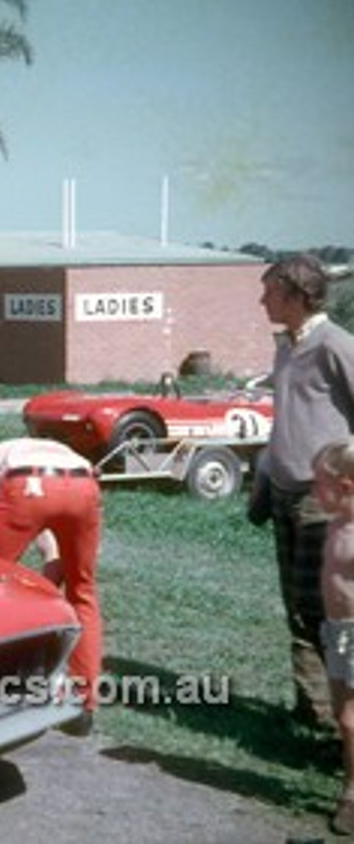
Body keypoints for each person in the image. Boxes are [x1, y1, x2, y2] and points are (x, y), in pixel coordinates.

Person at [0, 436, 102, 736]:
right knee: (82, 591)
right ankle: (82, 706)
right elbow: (52, 556)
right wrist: (41, 601)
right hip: (82, 478)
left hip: (27, 481)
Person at [260, 253, 354, 732]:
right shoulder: (284, 347)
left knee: (327, 609)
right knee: (297, 606)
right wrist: (263, 480)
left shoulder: (336, 345)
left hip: (324, 501)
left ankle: (342, 718)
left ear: (298, 295)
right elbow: (285, 422)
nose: (262, 301)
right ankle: (313, 710)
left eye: (270, 292)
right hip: (283, 492)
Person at [314, 439, 354, 835]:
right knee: (342, 716)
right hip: (336, 629)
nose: (313, 492)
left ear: (346, 487)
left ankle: (352, 796)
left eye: (319, 484)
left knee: (350, 718)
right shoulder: (335, 523)